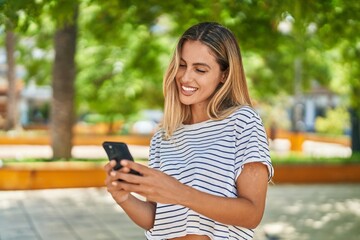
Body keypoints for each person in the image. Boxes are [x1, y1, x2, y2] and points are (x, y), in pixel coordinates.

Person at [104, 22, 274, 240]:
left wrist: (178, 192)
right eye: (182, 65)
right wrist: (124, 197)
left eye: (200, 69)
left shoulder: (242, 123)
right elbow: (157, 220)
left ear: (224, 74)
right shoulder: (164, 136)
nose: (185, 77)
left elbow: (252, 213)